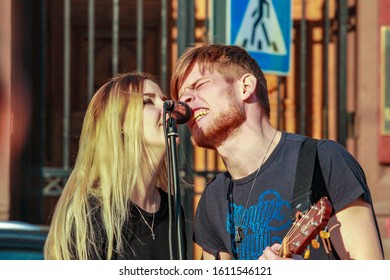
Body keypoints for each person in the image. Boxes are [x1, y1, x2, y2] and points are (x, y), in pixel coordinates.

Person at [170, 43, 384, 260]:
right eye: (182, 94)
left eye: (199, 85)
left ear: (245, 87)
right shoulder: (214, 197)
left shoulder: (322, 160)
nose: (184, 100)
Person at [44, 72, 186, 260]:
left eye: (165, 100)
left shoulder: (173, 209)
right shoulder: (91, 213)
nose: (169, 108)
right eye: (148, 102)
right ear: (120, 124)